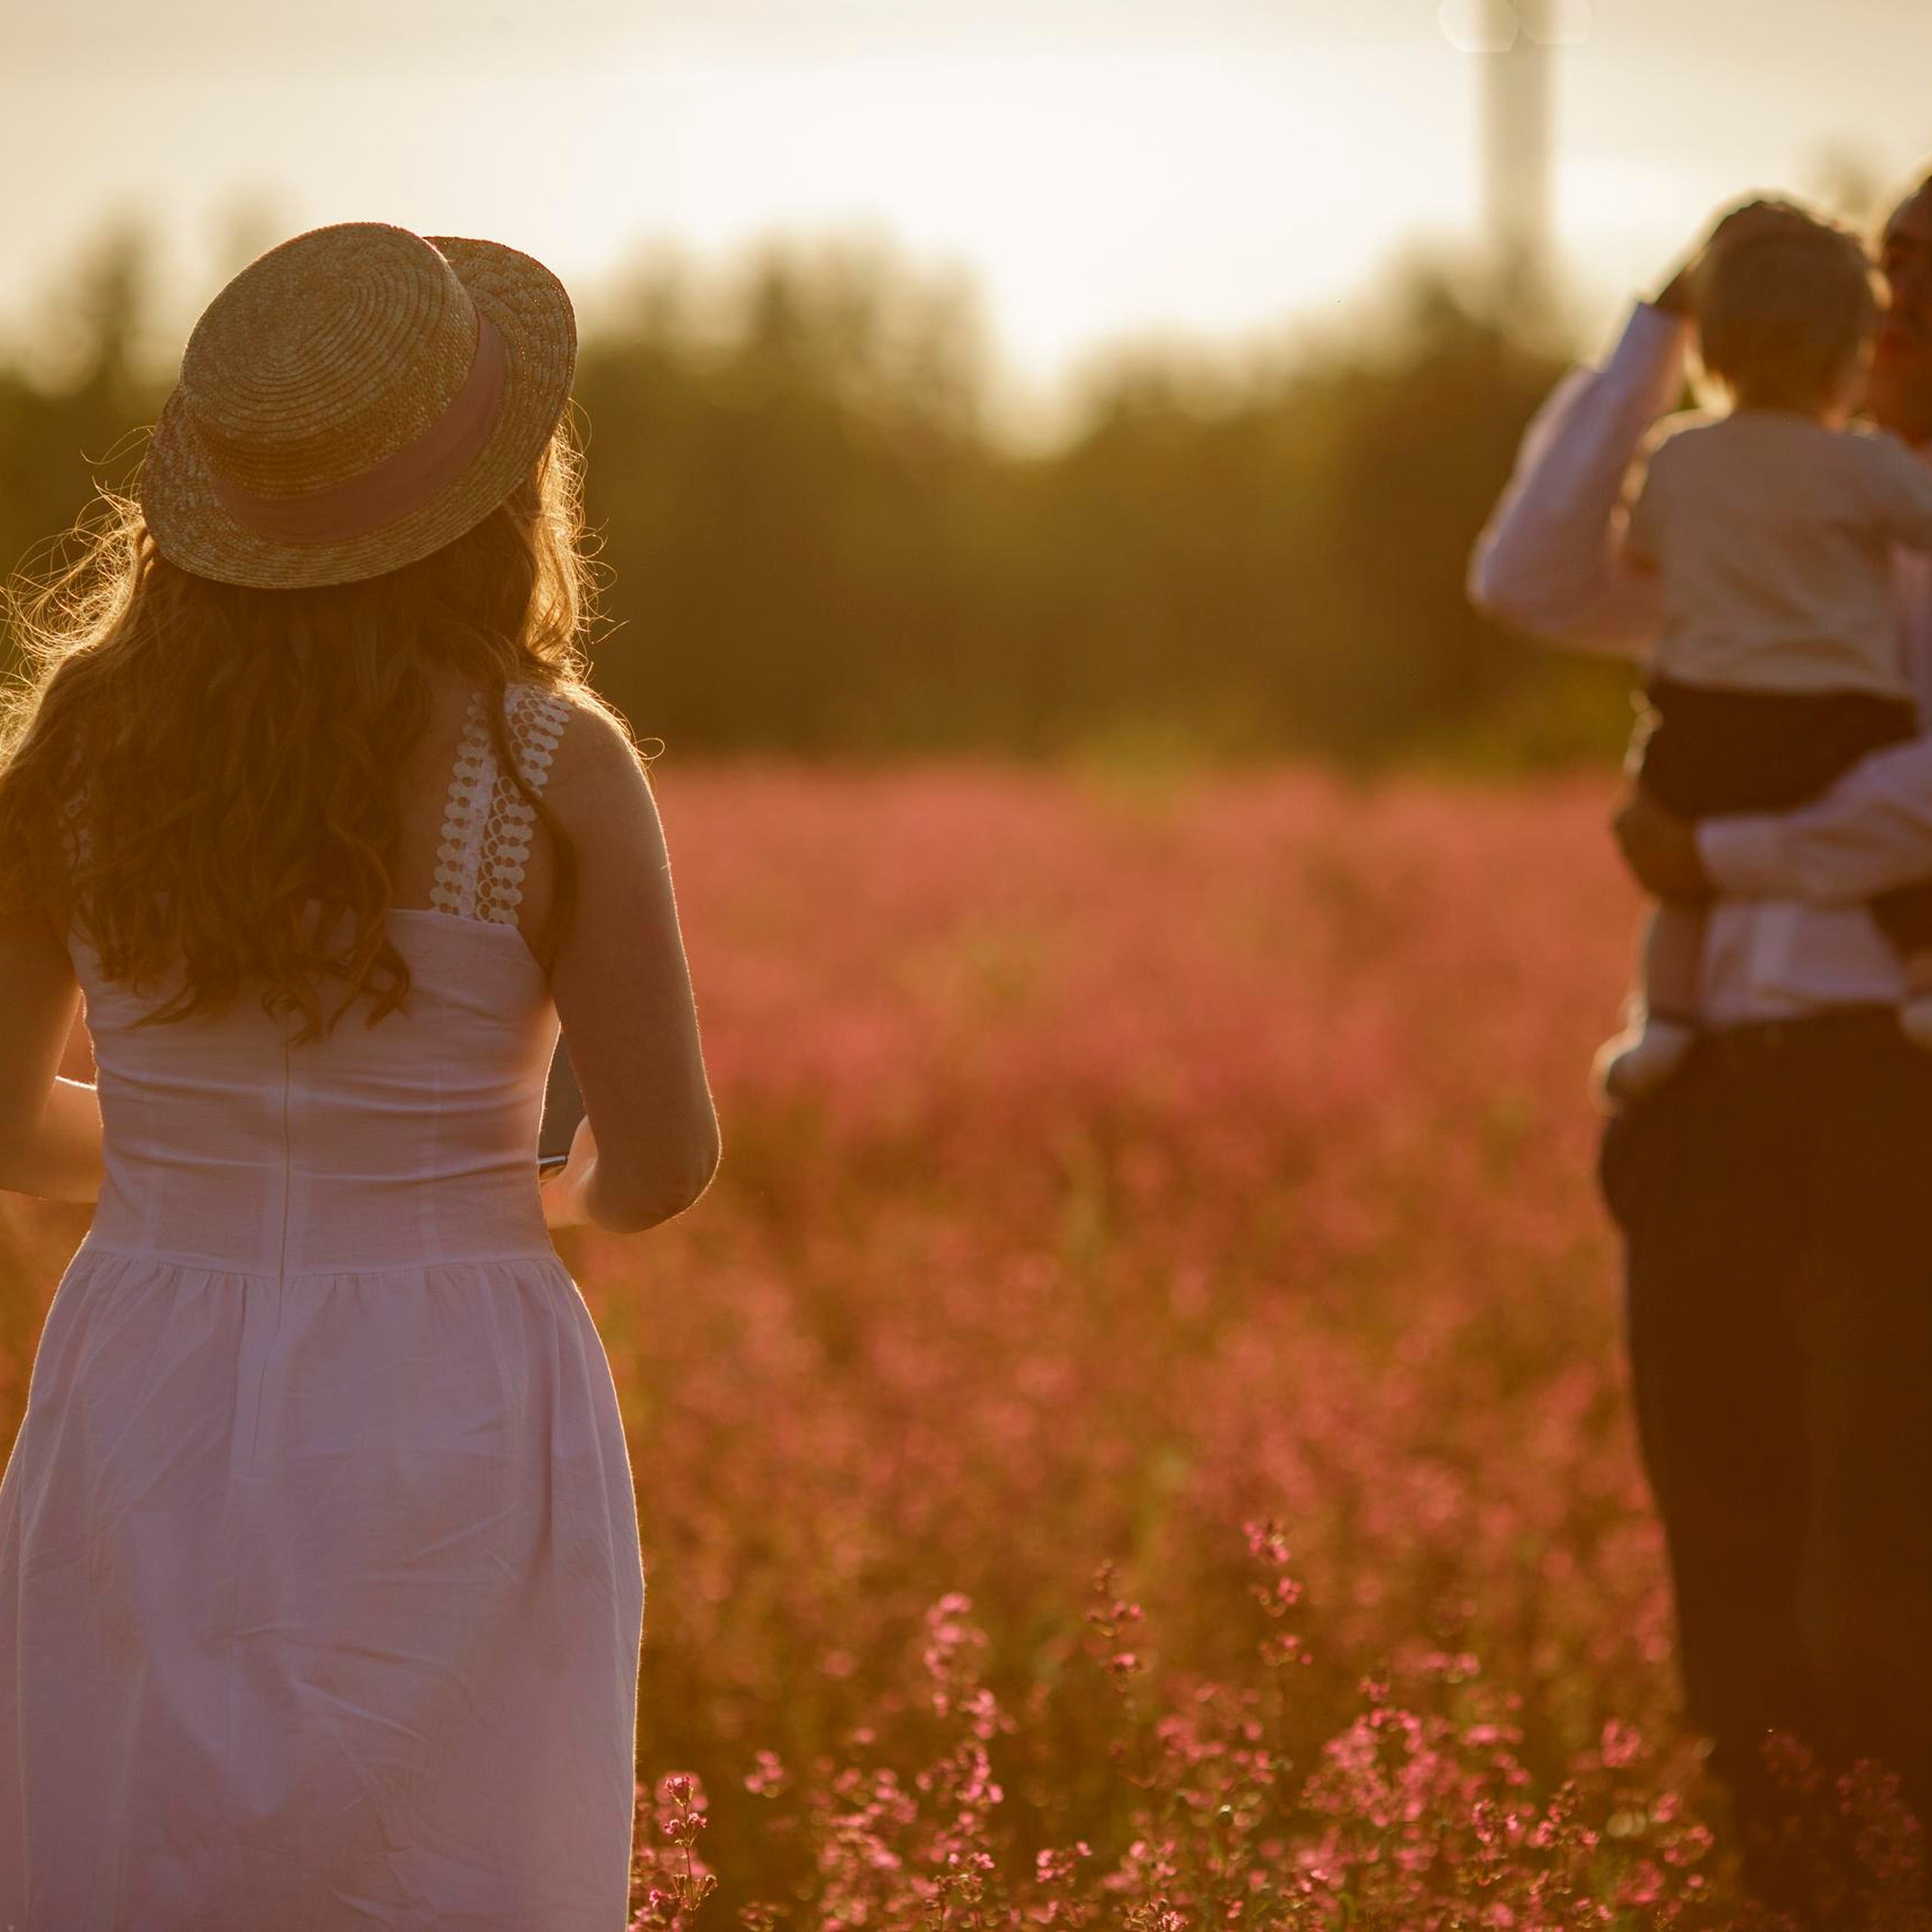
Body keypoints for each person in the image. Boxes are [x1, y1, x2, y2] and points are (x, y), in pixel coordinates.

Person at [0, 222, 721, 1928]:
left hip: (144, 1368)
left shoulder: (84, 736)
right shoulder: (550, 757)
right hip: (455, 1365)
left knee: (134, 1836)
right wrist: (539, 1185)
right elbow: (666, 1153)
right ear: (489, 495)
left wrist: (194, 1157)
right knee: (445, 1857)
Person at [1470, 177, 1932, 1900]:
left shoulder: (1872, 521)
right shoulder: (1762, 519)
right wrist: (1655, 333)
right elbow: (1525, 574)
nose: (1889, 331)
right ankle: (1792, 1877)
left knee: (1882, 1571)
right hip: (1715, 1096)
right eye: (1876, 295)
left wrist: (1719, 853)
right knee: (1727, 1555)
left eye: (1918, 301)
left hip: (1896, 1100)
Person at [1588, 202, 1932, 1106]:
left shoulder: (1676, 455)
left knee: (1675, 882)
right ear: (1845, 352)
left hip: (1705, 713)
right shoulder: (1862, 464)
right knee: (1907, 872)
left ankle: (1662, 1022)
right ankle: (1924, 973)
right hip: (1843, 712)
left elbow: (1630, 552)